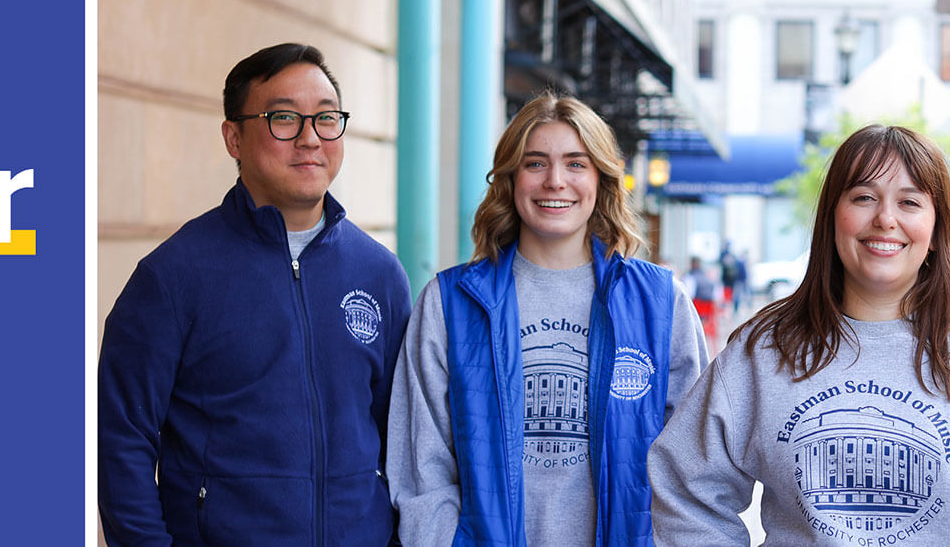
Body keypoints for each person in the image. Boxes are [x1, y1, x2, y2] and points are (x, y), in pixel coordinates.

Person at [650, 125, 950, 546]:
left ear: (937, 231)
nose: (885, 219)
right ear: (833, 218)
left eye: (909, 202)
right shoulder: (762, 352)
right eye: (864, 197)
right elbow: (687, 490)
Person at [98, 43, 411, 546]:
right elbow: (122, 442)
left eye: (326, 119)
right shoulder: (173, 277)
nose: (310, 138)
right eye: (283, 118)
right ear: (233, 137)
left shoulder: (379, 274)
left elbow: (400, 440)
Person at [387, 91, 709, 546]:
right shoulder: (450, 303)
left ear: (601, 179)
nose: (555, 180)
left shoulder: (661, 303)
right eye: (535, 163)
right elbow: (422, 468)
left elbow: (692, 469)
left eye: (576, 163)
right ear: (510, 178)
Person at [689, 257, 720, 343]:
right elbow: (716, 299)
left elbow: (688, 296)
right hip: (708, 316)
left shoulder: (690, 278)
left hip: (694, 315)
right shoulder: (710, 281)